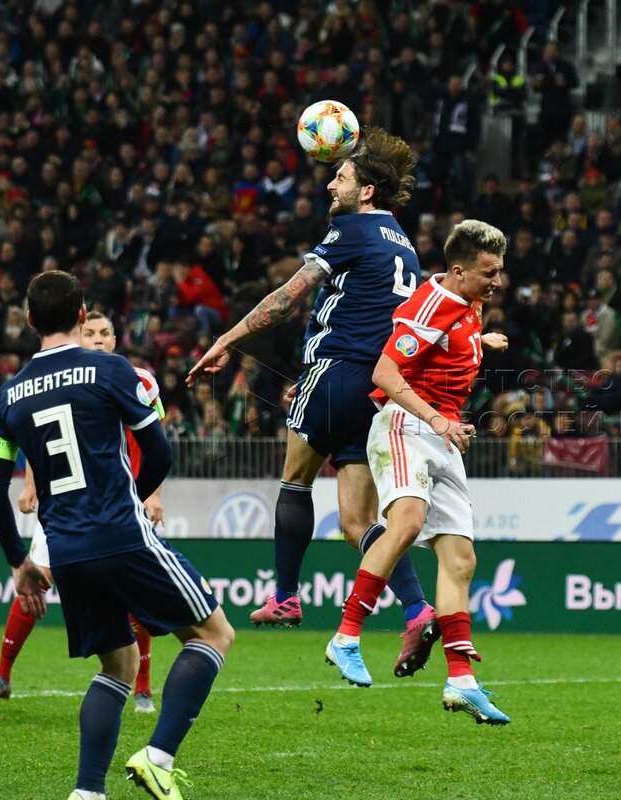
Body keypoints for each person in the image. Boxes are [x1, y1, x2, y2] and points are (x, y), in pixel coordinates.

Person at [187, 128, 440, 679]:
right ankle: (418, 608)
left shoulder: (351, 228)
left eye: (340, 178)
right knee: (358, 521)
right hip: (376, 386)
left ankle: (284, 594)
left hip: (333, 370)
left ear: (366, 191)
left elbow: (288, 297)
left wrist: (226, 340)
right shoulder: (403, 243)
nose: (330, 185)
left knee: (295, 480)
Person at [0, 271, 233, 800]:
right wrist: (130, 499)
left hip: (66, 550)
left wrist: (18, 562)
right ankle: (159, 759)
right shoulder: (111, 369)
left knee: (118, 667)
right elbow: (159, 452)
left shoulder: (8, 396)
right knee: (213, 635)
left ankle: (87, 792)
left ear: (29, 320)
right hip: (120, 533)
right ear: (81, 315)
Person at [327, 220, 512, 725]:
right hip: (407, 424)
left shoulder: (470, 304)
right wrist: (435, 419)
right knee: (406, 522)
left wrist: (482, 341)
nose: (497, 281)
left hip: (444, 435)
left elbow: (448, 345)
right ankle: (346, 636)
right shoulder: (431, 306)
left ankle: (461, 681)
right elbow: (385, 373)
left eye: (499, 271)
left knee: (461, 559)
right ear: (459, 271)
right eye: (489, 272)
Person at [0, 311, 165, 713]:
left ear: (115, 340)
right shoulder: (64, 382)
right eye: (89, 332)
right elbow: (41, 438)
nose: (97, 339)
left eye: (105, 333)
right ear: (77, 334)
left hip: (120, 506)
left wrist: (151, 495)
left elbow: (153, 442)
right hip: (64, 506)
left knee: (136, 593)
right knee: (36, 581)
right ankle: (2, 673)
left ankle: (144, 687)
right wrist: (30, 484)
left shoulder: (136, 379)